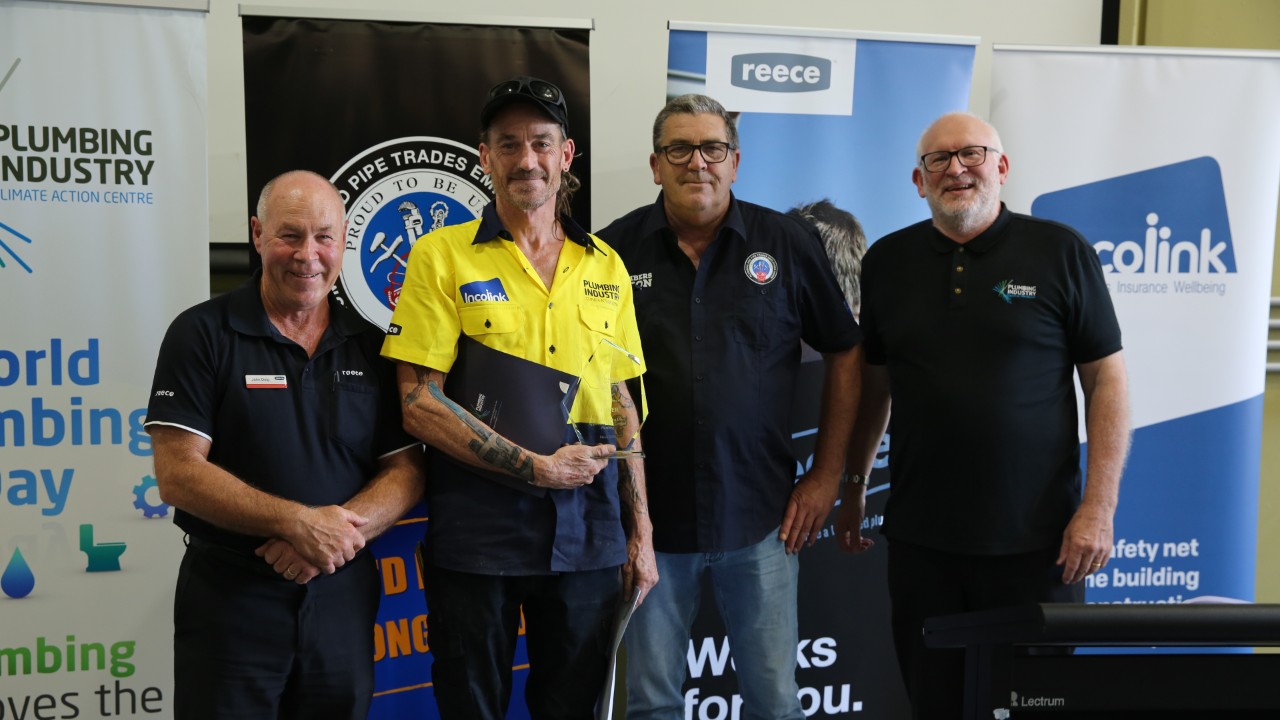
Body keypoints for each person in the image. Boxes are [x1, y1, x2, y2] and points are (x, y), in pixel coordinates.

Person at [836, 112, 1131, 719]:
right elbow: (875, 386)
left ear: (1000, 167)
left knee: (1034, 706)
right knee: (936, 704)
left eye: (970, 154)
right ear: (918, 182)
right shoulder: (887, 263)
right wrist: (855, 484)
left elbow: (1106, 379)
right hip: (924, 548)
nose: (955, 169)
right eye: (937, 161)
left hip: (1041, 546)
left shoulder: (1060, 251)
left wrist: (1098, 509)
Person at [381, 75, 657, 720]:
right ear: (485, 158)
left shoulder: (605, 265)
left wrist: (639, 533)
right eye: (508, 145)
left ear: (566, 156)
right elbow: (418, 400)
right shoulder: (441, 256)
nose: (525, 159)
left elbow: (621, 403)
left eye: (541, 142)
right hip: (480, 529)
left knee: (573, 703)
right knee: (470, 703)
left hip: (589, 531)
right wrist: (533, 466)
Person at [596, 94, 862, 720]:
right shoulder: (610, 252)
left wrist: (826, 477)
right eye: (679, 149)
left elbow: (847, 352)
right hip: (648, 527)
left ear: (735, 162)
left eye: (712, 148)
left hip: (762, 520)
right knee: (652, 704)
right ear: (655, 165)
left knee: (774, 702)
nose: (698, 163)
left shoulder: (788, 242)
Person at [145, 169, 427, 720]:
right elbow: (177, 472)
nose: (308, 254)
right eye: (289, 235)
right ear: (256, 234)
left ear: (344, 243)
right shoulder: (202, 333)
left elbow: (407, 471)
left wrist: (334, 536)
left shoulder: (371, 346)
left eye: (324, 237)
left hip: (341, 601)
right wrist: (296, 523)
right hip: (233, 600)